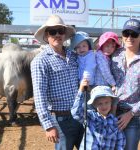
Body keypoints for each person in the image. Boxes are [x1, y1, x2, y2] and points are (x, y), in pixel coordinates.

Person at [30, 15, 84, 150]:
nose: (57, 35)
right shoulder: (40, 61)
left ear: (64, 34)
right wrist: (48, 125)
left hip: (81, 116)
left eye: (60, 31)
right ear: (47, 35)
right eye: (53, 32)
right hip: (61, 119)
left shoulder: (73, 56)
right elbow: (39, 95)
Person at [111, 18, 140, 150]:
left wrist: (131, 114)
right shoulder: (115, 55)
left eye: (134, 34)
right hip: (111, 112)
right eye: (126, 33)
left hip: (133, 117)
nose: (129, 37)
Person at [71, 82, 126, 150]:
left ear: (111, 102)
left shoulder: (115, 122)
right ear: (94, 104)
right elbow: (76, 113)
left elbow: (120, 141)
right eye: (100, 103)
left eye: (106, 102)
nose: (104, 106)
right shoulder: (90, 117)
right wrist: (81, 91)